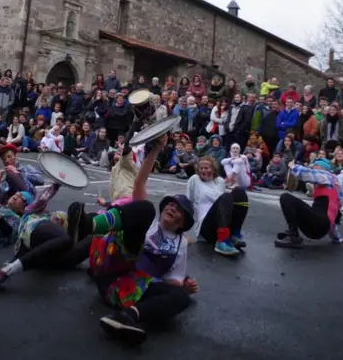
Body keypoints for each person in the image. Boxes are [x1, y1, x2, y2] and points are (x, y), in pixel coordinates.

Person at [83, 135, 198, 345]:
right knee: (144, 208)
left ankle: (128, 317)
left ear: (183, 223)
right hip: (114, 272)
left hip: (134, 290)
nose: (172, 208)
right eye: (171, 204)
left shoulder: (180, 244)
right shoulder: (150, 222)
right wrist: (155, 150)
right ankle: (89, 225)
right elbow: (140, 180)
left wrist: (184, 284)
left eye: (179, 209)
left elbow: (172, 279)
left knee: (182, 298)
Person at [274, 158, 343, 248]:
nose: (314, 168)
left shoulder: (329, 176)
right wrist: (336, 238)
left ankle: (293, 236)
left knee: (286, 197)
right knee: (298, 206)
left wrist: (293, 167)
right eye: (314, 166)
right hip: (319, 229)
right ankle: (292, 234)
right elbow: (334, 215)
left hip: (319, 223)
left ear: (324, 168)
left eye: (316, 166)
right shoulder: (335, 190)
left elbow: (310, 174)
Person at [185, 156, 248, 256]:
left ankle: (234, 235)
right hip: (205, 227)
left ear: (214, 170)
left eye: (206, 168)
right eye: (201, 168)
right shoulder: (195, 179)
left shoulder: (220, 181)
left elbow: (224, 207)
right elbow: (187, 203)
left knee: (239, 192)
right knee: (226, 196)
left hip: (220, 222)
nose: (203, 171)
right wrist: (182, 233)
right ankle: (221, 241)